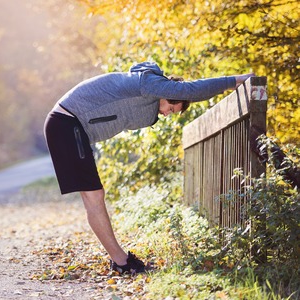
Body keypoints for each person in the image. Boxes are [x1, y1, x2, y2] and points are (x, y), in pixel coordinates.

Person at [43, 61, 254, 274]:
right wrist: (234, 81)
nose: (168, 114)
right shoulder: (148, 83)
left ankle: (120, 260)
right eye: (171, 108)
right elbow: (191, 89)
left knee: (94, 196)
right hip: (66, 124)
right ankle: (121, 262)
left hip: (70, 127)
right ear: (166, 93)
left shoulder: (148, 98)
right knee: (94, 197)